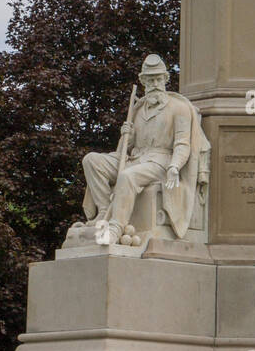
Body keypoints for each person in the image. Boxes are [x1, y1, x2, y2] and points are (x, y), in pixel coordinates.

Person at [81, 54, 209, 245]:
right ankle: (103, 210)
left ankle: (116, 227)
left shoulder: (179, 108)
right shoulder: (139, 109)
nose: (155, 83)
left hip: (161, 161)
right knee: (91, 160)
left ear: (165, 80)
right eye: (150, 80)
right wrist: (127, 134)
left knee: (127, 176)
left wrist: (175, 166)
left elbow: (183, 144)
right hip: (136, 158)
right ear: (143, 82)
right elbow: (128, 147)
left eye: (158, 79)